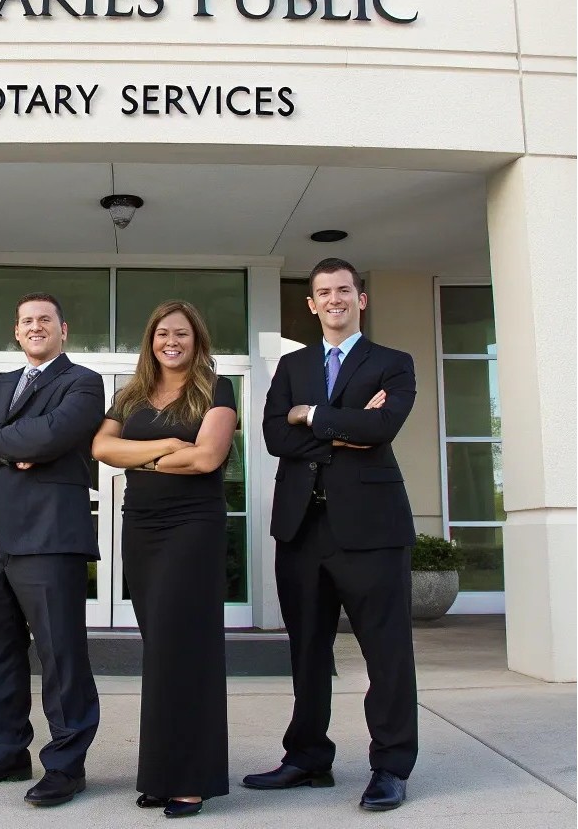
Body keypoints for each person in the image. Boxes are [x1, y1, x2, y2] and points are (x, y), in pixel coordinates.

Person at [243, 257, 418, 811]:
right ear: (311, 304)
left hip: (372, 530)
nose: (334, 299)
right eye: (324, 292)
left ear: (360, 299)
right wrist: (344, 430)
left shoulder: (393, 362)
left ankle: (391, 766)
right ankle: (308, 757)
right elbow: (274, 436)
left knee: (386, 653)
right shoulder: (291, 364)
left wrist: (311, 415)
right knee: (308, 652)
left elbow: (383, 426)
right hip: (301, 530)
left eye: (344, 290)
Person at [0, 293, 104, 807]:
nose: (35, 327)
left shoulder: (82, 382)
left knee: (60, 653)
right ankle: (5, 751)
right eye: (26, 322)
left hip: (49, 537)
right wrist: (11, 444)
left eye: (45, 320)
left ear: (64, 329)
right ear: (16, 332)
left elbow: (54, 435)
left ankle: (65, 765)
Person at [92, 301, 237, 819]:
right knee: (160, 650)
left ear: (196, 339)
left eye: (181, 333)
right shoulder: (130, 395)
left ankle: (191, 779)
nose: (170, 341)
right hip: (143, 528)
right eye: (161, 334)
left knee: (187, 649)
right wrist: (161, 452)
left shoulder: (216, 389)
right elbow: (102, 448)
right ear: (150, 341)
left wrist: (142, 456)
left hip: (192, 528)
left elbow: (207, 457)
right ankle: (160, 775)